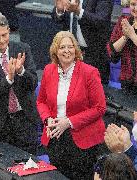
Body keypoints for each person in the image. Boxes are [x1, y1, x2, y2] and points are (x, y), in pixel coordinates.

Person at [36, 31, 106, 180]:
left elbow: (99, 108)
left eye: (70, 46)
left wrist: (68, 122)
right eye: (62, 47)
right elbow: (41, 101)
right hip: (55, 135)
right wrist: (47, 119)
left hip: (82, 139)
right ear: (55, 50)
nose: (67, 51)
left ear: (76, 49)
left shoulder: (89, 72)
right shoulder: (49, 70)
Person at [0, 12, 38, 154]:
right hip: (0, 125)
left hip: (25, 120)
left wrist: (21, 71)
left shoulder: (23, 49)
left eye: (4, 35)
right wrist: (9, 78)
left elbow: (33, 83)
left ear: (9, 31)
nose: (2, 40)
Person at [52, 0, 114, 85]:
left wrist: (79, 11)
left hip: (94, 56)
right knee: (67, 93)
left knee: (93, 95)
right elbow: (58, 19)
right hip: (69, 55)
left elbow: (101, 21)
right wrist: (59, 11)